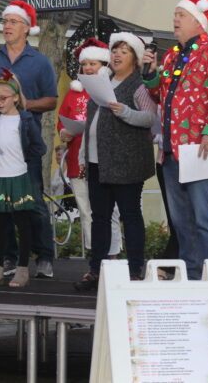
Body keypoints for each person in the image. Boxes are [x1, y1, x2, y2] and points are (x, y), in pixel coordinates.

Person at [142, 0, 208, 280]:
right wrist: (150, 74)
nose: (175, 20)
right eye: (175, 15)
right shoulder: (171, 55)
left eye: (180, 15)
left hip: (200, 147)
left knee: (205, 217)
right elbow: (160, 95)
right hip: (171, 149)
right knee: (181, 221)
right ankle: (193, 276)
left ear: (198, 21)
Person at [0, 0, 57, 279]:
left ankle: (44, 256)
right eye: (4, 22)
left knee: (32, 201)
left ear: (26, 28)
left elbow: (51, 100)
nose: (7, 26)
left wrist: (25, 103)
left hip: (24, 142)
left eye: (12, 22)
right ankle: (8, 259)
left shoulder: (40, 61)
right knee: (1, 204)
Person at [74, 33, 157, 291]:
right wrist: (84, 156)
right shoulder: (102, 81)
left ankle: (134, 270)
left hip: (127, 161)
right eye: (115, 50)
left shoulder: (139, 84)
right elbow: (92, 124)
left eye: (124, 50)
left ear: (134, 56)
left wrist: (127, 112)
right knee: (100, 217)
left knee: (130, 216)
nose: (117, 55)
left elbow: (150, 118)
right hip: (98, 162)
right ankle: (96, 270)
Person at [0, 73, 46, 288]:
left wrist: (24, 160)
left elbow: (39, 148)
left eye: (4, 97)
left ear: (15, 97)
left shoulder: (26, 119)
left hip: (19, 175)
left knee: (23, 224)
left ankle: (22, 269)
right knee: (0, 226)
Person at [58, 37, 122, 259]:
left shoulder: (110, 92)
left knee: (108, 211)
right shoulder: (73, 93)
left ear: (104, 66)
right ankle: (95, 256)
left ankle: (111, 255)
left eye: (93, 64)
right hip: (78, 159)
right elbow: (62, 121)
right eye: (85, 64)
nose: (87, 68)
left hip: (105, 161)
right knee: (86, 211)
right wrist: (64, 133)